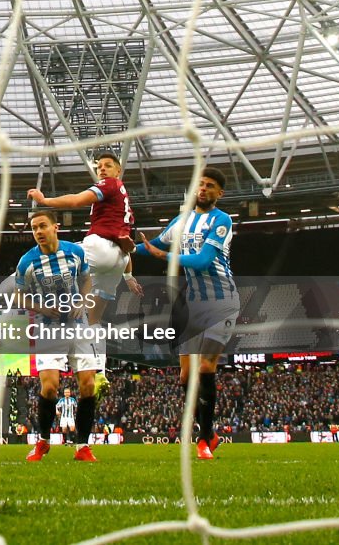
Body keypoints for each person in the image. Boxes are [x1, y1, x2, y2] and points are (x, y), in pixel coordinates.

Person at [135, 167, 237, 461]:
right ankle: (210, 433)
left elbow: (204, 260)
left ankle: (204, 440)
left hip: (221, 301)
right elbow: (151, 246)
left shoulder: (221, 220)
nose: (203, 189)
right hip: (191, 303)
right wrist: (124, 248)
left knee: (206, 368)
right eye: (200, 184)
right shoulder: (183, 220)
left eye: (210, 186)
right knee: (185, 376)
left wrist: (163, 256)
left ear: (220, 193)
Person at [27, 152, 144, 398]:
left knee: (54, 258)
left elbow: (76, 200)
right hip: (118, 259)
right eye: (99, 166)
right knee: (93, 320)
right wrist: (129, 278)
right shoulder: (124, 198)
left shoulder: (109, 185)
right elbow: (124, 242)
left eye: (107, 166)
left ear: (118, 170)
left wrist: (45, 200)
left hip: (100, 247)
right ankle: (99, 371)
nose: (102, 170)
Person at [1, 209, 100, 462]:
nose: (38, 232)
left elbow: (87, 280)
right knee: (49, 388)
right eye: (34, 228)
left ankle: (82, 447)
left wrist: (83, 300)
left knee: (88, 385)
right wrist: (43, 308)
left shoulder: (75, 252)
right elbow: (19, 295)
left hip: (78, 325)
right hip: (48, 328)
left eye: (42, 226)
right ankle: (43, 441)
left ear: (56, 227)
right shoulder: (27, 262)